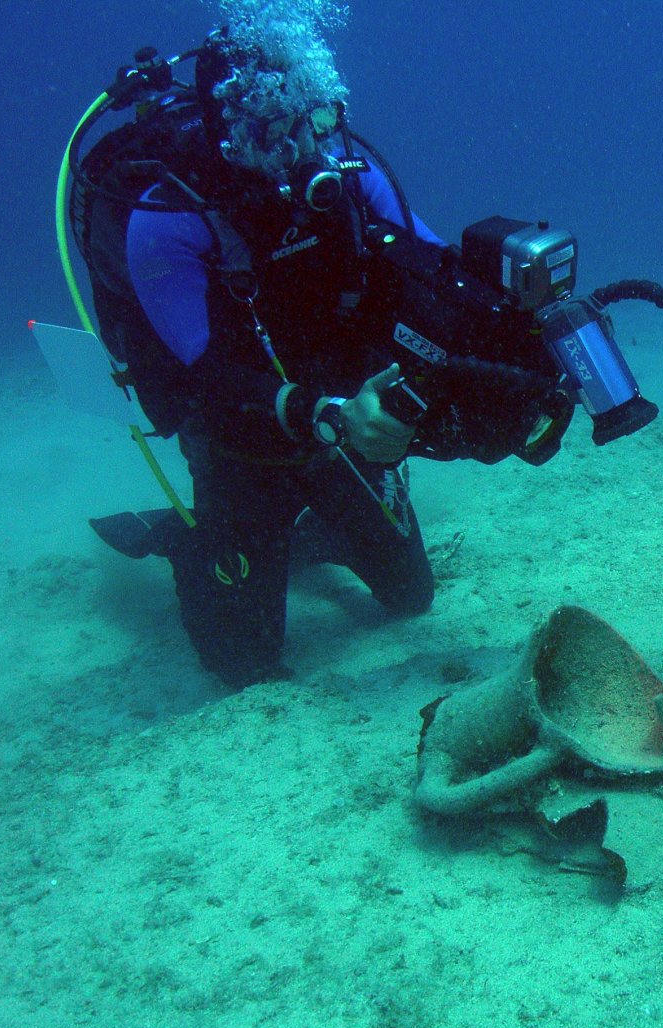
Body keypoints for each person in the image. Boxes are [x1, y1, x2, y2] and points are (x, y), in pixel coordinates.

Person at [88, 19, 458, 687]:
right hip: (241, 447)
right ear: (228, 128)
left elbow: (434, 272)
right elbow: (202, 375)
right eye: (272, 131)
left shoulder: (348, 173)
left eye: (311, 123)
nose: (299, 151)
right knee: (245, 663)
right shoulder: (167, 218)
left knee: (411, 596)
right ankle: (190, 538)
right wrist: (324, 413)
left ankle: (314, 531)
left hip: (338, 431)